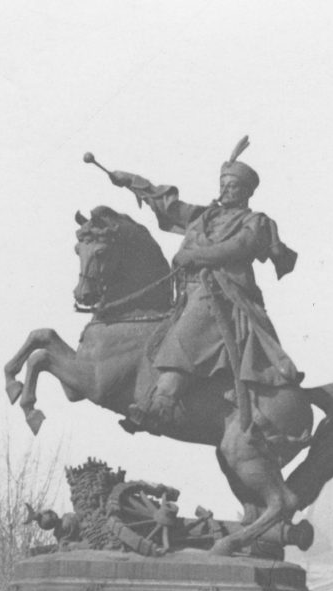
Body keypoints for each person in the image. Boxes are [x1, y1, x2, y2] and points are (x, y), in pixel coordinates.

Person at [107, 142, 301, 433]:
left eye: (233, 186)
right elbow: (170, 206)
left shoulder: (255, 222)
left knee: (192, 326)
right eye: (224, 184)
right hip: (187, 293)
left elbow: (238, 248)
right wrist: (132, 182)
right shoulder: (203, 216)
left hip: (223, 294)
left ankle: (162, 402)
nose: (226, 190)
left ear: (246, 192)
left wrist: (194, 256)